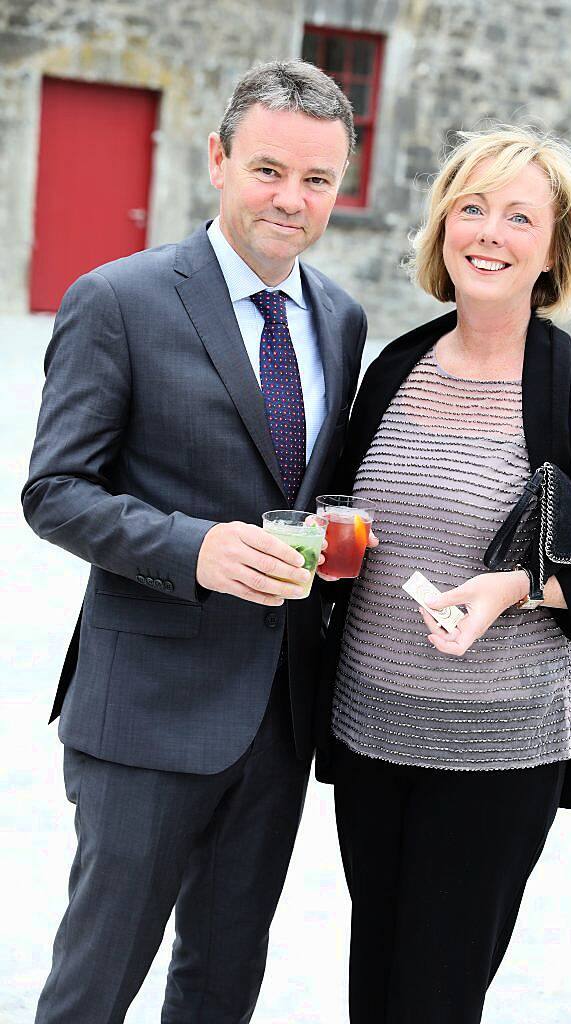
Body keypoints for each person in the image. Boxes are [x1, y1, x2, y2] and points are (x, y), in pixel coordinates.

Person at [22, 59, 367, 1023]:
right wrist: (192, 547)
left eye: (316, 179)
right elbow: (53, 491)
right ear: (216, 159)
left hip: (276, 716)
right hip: (146, 709)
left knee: (221, 984)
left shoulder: (340, 318)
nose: (289, 200)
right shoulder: (118, 299)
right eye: (267, 170)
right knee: (95, 984)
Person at [315, 124, 571, 1023]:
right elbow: (349, 510)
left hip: (499, 747)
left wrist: (516, 586)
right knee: (375, 976)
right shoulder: (393, 367)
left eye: (519, 217)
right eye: (471, 207)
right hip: (368, 730)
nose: (488, 231)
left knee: (434, 994)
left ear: (551, 251)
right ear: (441, 226)